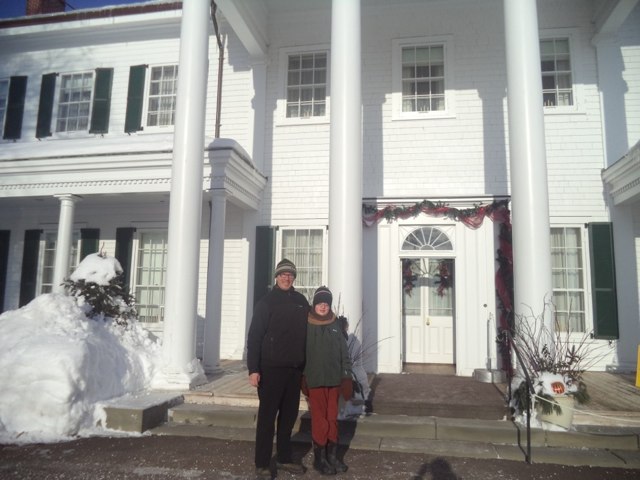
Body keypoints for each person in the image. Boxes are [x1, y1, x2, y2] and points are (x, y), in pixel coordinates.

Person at [246, 258, 310, 479]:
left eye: (290, 274)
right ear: (276, 276)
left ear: (294, 278)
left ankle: (284, 458)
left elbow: (310, 335)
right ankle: (262, 463)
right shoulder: (267, 302)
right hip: (271, 370)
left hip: (294, 370)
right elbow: (254, 337)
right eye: (283, 274)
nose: (286, 277)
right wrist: (253, 369)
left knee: (288, 418)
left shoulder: (302, 301)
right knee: (267, 419)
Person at [302, 286, 353, 475]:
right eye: (320, 303)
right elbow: (301, 353)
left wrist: (347, 376)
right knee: (319, 420)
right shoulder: (306, 325)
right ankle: (319, 459)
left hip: (334, 380)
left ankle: (333, 457)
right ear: (314, 305)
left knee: (333, 419)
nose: (323, 307)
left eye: (326, 303)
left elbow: (344, 355)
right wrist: (303, 376)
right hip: (315, 379)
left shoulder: (336, 326)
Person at [337, 316, 372, 419]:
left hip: (350, 372)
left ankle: (348, 409)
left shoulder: (344, 338)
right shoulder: (345, 338)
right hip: (350, 372)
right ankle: (351, 409)